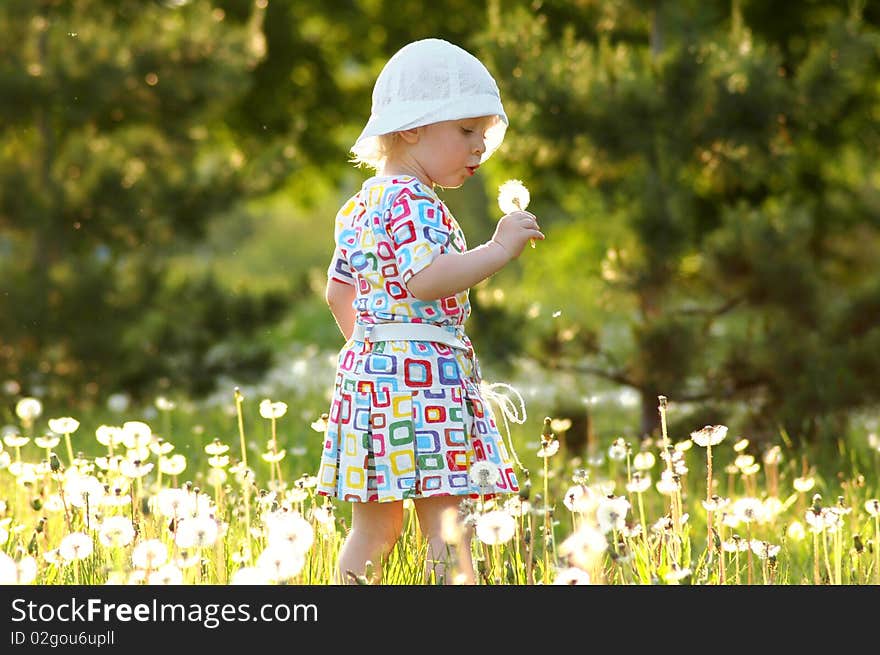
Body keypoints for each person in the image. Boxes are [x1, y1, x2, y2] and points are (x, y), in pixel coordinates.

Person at [315, 37, 544, 585]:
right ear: (413, 127)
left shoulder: (361, 203)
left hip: (370, 383)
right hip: (425, 386)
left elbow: (338, 292)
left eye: (484, 136)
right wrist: (497, 250)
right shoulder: (415, 201)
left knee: (373, 531)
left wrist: (373, 353)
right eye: (466, 132)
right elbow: (425, 280)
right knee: (448, 525)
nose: (479, 149)